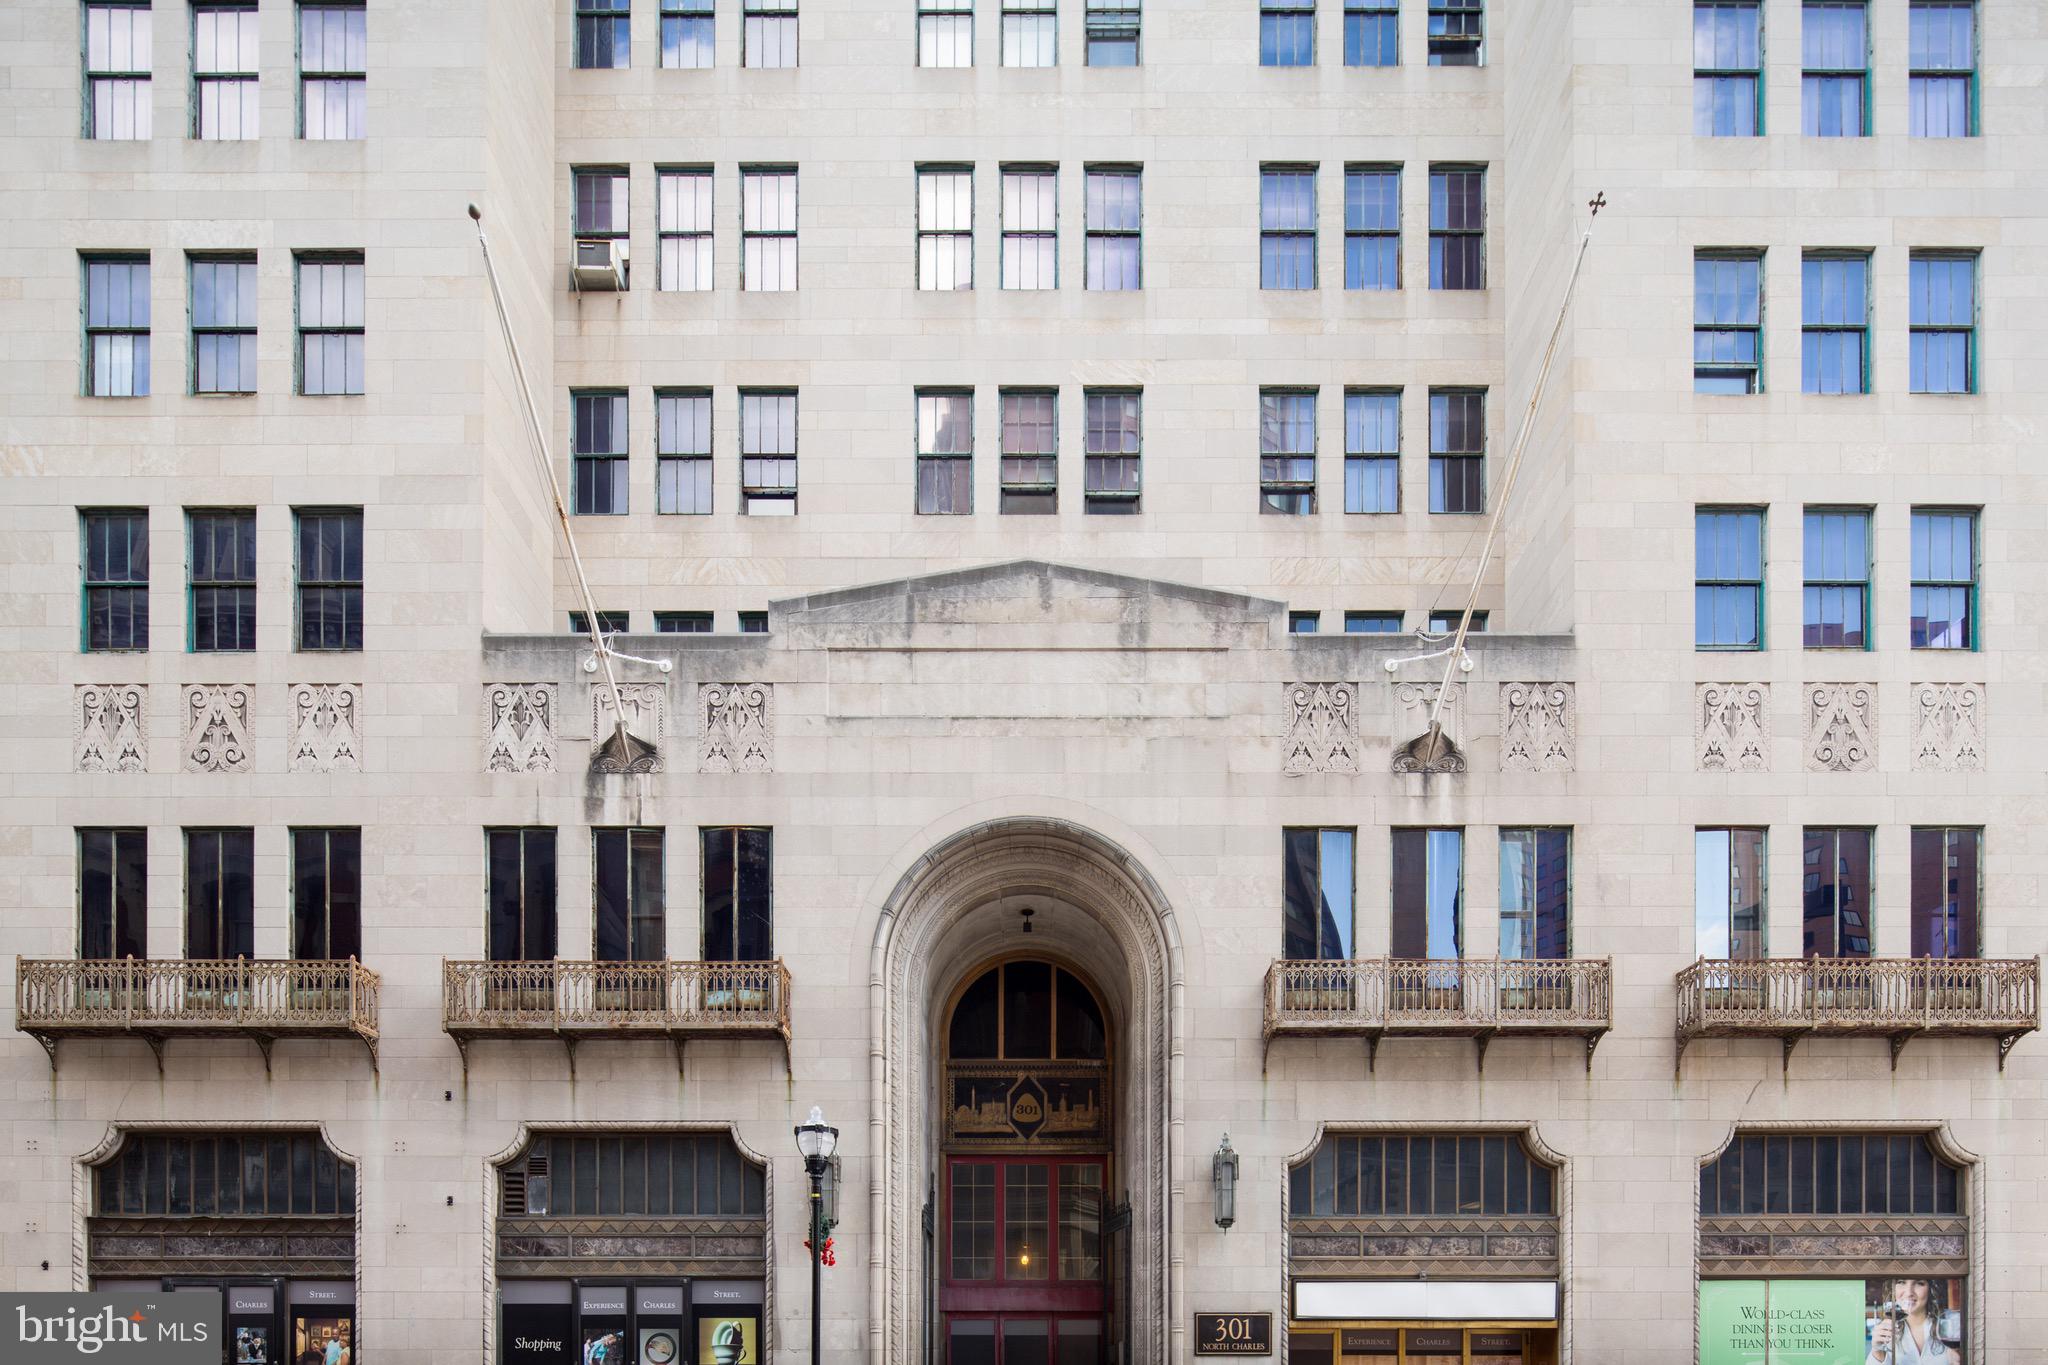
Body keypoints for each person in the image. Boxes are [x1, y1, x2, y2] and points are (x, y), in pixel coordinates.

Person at [1868, 1278, 1960, 1365]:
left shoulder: (1949, 1326)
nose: (1909, 1293)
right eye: (1901, 1282)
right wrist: (1877, 1353)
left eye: (1919, 1283)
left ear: (1931, 1289)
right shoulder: (1885, 1333)